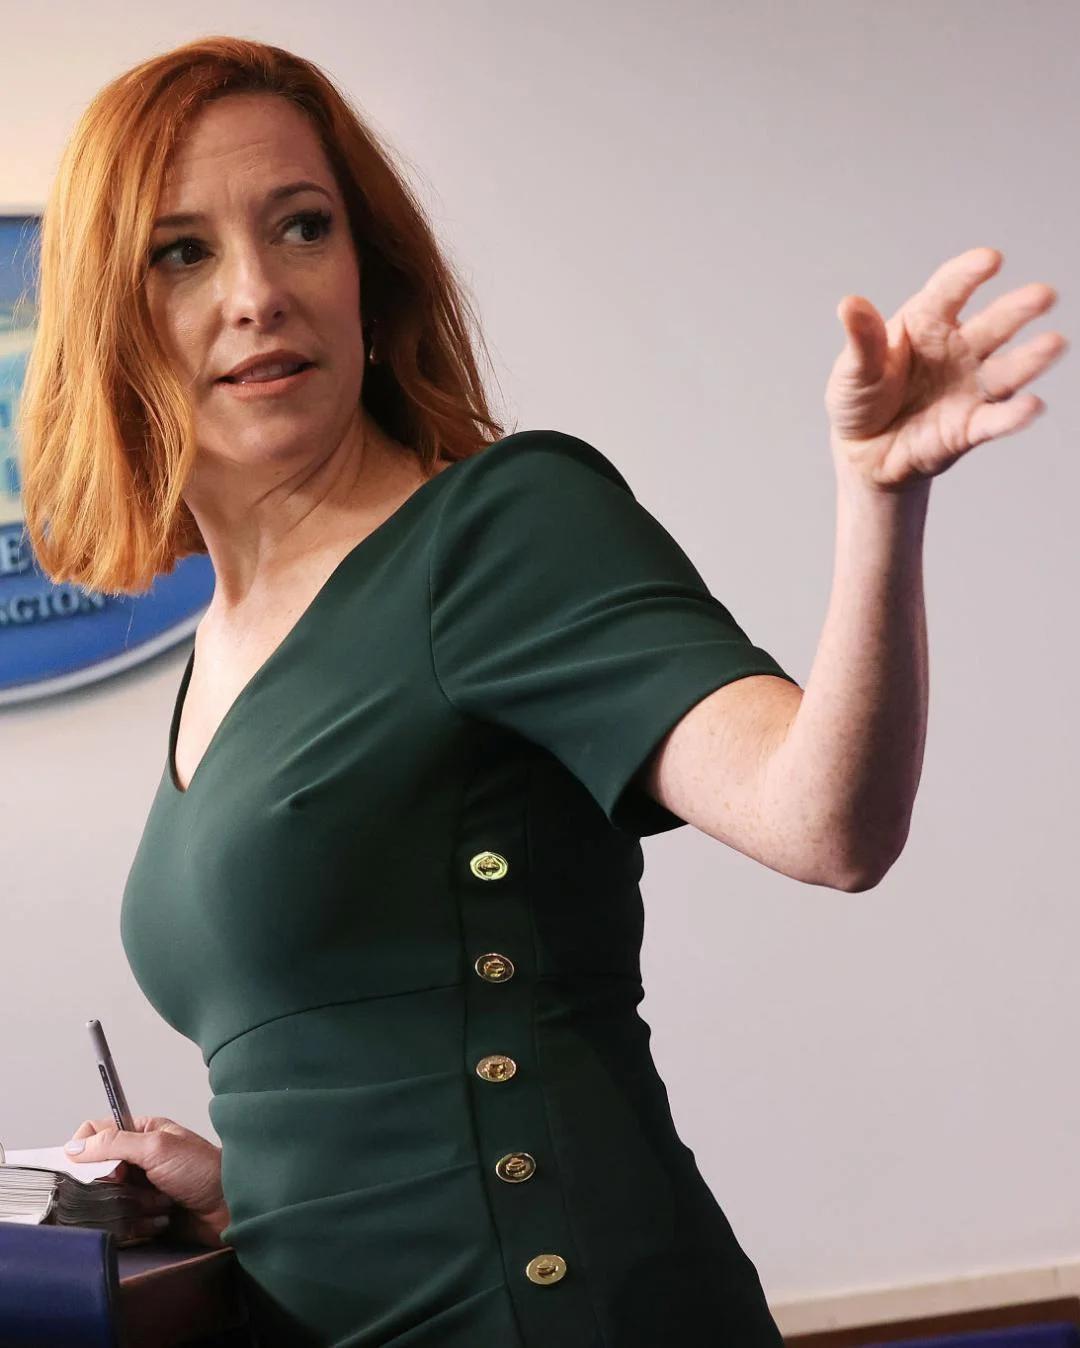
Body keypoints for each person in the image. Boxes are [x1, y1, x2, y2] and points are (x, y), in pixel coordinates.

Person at [19, 34, 1065, 1348]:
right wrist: (242, 1192)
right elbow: (379, 1067)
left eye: (301, 227)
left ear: (368, 271)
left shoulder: (499, 528)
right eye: (183, 252)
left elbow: (826, 823)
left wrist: (879, 501)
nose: (258, 292)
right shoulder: (222, 642)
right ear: (111, 319)